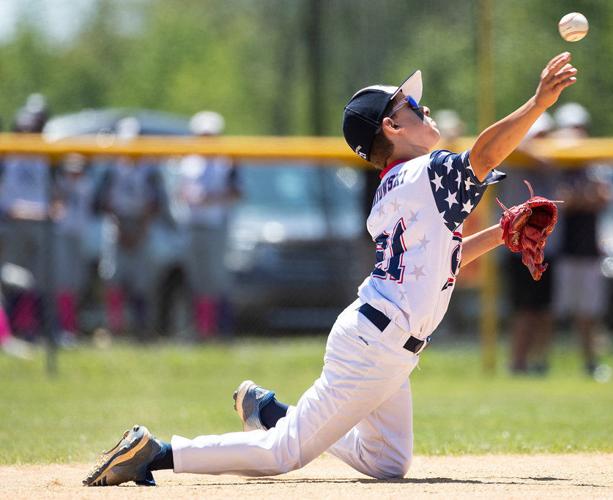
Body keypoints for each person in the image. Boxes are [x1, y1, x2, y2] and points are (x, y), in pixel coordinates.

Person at [83, 51, 578, 487]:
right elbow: (484, 154)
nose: (424, 109)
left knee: (387, 463)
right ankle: (158, 452)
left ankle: (271, 412)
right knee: (285, 455)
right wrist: (536, 105)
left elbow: (442, 261)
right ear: (391, 127)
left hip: (386, 343)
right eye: (412, 106)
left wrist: (499, 235)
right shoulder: (425, 173)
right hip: (375, 343)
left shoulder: (404, 182)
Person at [552, 103, 613, 377]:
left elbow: (603, 197)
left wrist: (581, 199)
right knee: (554, 312)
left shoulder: (593, 164)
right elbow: (564, 200)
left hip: (587, 249)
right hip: (560, 249)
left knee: (589, 312)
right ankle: (543, 362)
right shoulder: (556, 164)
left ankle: (590, 361)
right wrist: (582, 199)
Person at [499, 112, 560, 375]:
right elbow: (512, 144)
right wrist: (537, 154)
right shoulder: (516, 156)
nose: (542, 140)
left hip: (547, 246)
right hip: (518, 248)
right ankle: (518, 362)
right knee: (523, 310)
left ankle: (539, 362)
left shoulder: (559, 154)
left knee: (544, 310)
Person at [94, 117, 165, 337]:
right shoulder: (112, 167)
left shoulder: (150, 168)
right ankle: (115, 327)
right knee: (113, 278)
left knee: (141, 281)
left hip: (142, 226)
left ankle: (141, 328)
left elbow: (157, 203)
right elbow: (101, 201)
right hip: (117, 224)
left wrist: (141, 230)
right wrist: (119, 229)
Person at [178, 111, 241, 339]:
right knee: (197, 277)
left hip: (216, 225)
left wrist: (212, 197)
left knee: (216, 277)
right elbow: (178, 192)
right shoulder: (188, 162)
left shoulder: (226, 161)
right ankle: (200, 328)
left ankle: (219, 327)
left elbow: (237, 192)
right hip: (193, 224)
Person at [0, 94, 51, 339]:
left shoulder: (45, 154)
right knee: (12, 279)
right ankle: (9, 330)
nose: (29, 132)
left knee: (38, 281)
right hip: (14, 223)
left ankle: (29, 329)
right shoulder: (8, 154)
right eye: (25, 128)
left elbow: (55, 188)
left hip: (40, 223)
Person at [51, 153, 95, 344]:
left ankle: (71, 326)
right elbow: (56, 207)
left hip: (78, 237)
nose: (74, 173)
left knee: (76, 283)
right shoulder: (59, 185)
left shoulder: (86, 185)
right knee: (62, 283)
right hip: (61, 236)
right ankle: (63, 327)